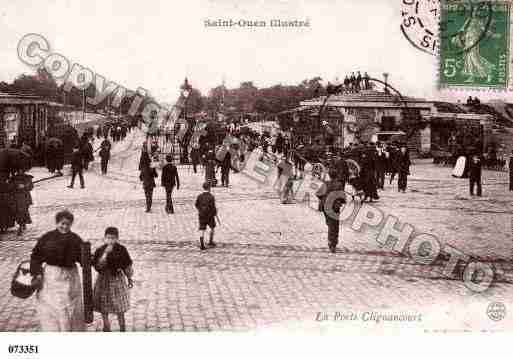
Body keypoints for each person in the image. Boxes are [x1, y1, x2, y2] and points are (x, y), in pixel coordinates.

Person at [30, 210, 85, 331]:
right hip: (52, 276)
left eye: (68, 224)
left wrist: (96, 259)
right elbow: (35, 256)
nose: (65, 226)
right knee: (53, 305)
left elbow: (83, 258)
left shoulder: (75, 239)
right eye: (62, 223)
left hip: (70, 277)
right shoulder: (47, 238)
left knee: (69, 306)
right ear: (57, 223)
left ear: (71, 224)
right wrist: (37, 274)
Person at [93, 227, 134, 332]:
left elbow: (127, 266)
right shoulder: (101, 250)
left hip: (117, 280)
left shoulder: (121, 249)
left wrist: (129, 278)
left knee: (119, 306)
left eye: (113, 238)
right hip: (103, 281)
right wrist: (105, 254)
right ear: (104, 238)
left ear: (117, 239)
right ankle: (106, 327)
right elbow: (98, 266)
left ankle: (122, 327)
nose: (110, 240)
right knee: (104, 306)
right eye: (108, 238)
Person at [316, 169, 346, 253]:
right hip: (334, 207)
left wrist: (323, 198)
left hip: (325, 207)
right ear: (336, 175)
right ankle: (332, 243)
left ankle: (331, 242)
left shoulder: (326, 183)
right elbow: (342, 197)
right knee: (334, 225)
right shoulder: (339, 184)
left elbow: (318, 194)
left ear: (329, 175)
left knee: (330, 224)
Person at [195, 182, 218, 250]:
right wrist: (215, 213)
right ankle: (210, 241)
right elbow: (213, 207)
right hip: (210, 215)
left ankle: (202, 243)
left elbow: (196, 204)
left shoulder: (199, 196)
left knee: (202, 228)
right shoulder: (211, 196)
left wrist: (200, 210)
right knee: (212, 228)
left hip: (202, 215)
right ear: (209, 188)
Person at [11, 169, 33, 236]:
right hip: (16, 197)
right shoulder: (13, 178)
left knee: (24, 211)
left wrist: (25, 186)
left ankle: (22, 224)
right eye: (18, 170)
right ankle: (21, 224)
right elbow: (10, 187)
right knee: (18, 212)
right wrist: (15, 186)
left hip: (25, 197)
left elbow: (31, 186)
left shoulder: (27, 177)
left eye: (21, 170)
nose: (20, 171)